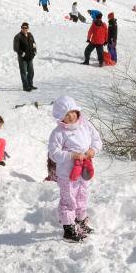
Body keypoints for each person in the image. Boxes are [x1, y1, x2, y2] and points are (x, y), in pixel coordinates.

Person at [48, 95, 102, 242]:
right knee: (69, 200)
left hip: (84, 169)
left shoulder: (86, 125)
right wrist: (71, 156)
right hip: (67, 174)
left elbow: (97, 140)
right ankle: (68, 229)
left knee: (82, 196)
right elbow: (54, 154)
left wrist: (93, 150)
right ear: (60, 117)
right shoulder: (58, 133)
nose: (71, 116)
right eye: (66, 114)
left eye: (73, 112)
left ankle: (80, 221)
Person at [13, 22, 37, 91]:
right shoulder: (18, 36)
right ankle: (25, 87)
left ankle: (30, 85)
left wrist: (35, 51)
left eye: (25, 28)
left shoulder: (30, 35)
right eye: (22, 28)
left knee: (31, 72)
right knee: (23, 72)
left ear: (28, 28)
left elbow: (34, 44)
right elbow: (15, 48)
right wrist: (22, 54)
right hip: (22, 58)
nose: (24, 29)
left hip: (30, 57)